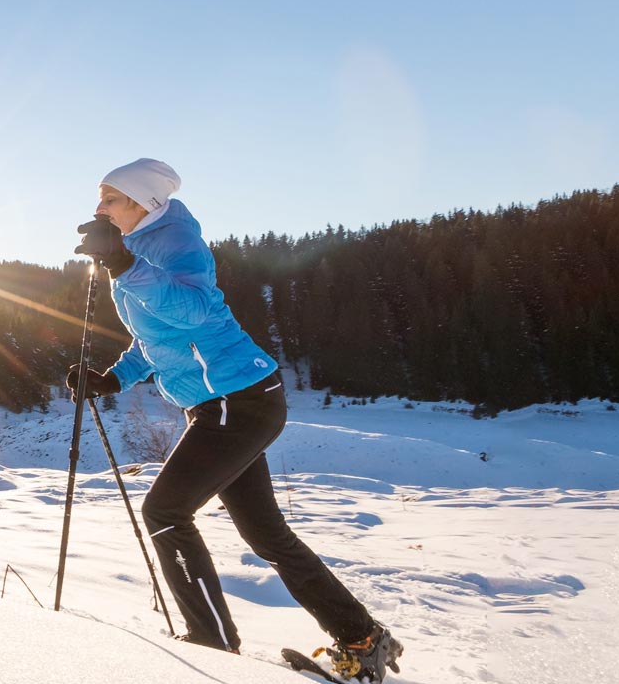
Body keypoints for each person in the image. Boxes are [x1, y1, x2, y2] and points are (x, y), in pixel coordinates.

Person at [69, 159, 403, 679]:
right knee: (266, 536)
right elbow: (158, 337)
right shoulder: (134, 251)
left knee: (165, 512)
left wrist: (124, 268)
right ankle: (363, 638)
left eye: (111, 198)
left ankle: (211, 645)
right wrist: (114, 377)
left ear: (144, 203)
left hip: (238, 400)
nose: (99, 207)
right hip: (223, 403)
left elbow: (196, 312)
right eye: (100, 197)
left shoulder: (176, 243)